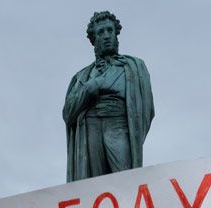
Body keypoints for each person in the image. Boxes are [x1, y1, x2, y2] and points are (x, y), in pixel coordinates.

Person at [63, 10, 154, 182]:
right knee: (93, 186)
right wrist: (89, 88)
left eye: (110, 30)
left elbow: (146, 110)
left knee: (126, 181)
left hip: (118, 126)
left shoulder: (134, 66)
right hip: (90, 129)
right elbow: (68, 114)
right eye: (101, 32)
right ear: (94, 39)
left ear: (116, 34)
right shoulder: (81, 77)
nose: (106, 36)